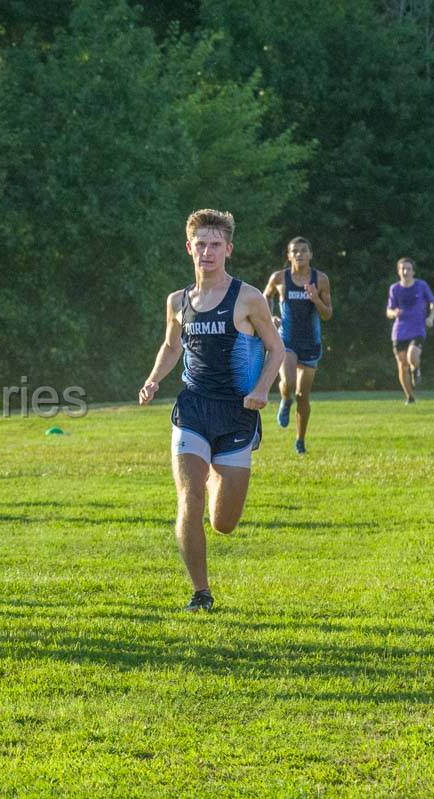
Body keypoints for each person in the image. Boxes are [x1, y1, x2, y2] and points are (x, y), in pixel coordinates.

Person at [138, 209, 284, 612]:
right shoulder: (177, 301)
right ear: (189, 248)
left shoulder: (248, 297)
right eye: (200, 244)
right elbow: (172, 346)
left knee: (224, 523)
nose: (207, 252)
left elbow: (276, 348)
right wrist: (153, 379)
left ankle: (216, 474)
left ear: (228, 250)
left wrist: (260, 389)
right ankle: (200, 593)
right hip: (193, 409)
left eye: (215, 244)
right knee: (189, 499)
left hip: (237, 413)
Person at [262, 237, 332, 454]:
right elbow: (265, 297)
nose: (299, 254)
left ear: (310, 255)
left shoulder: (320, 279)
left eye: (304, 251)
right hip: (287, 340)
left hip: (311, 342)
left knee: (303, 396)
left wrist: (316, 300)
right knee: (289, 381)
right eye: (295, 251)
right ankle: (284, 400)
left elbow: (328, 314)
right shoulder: (279, 278)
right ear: (289, 256)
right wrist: (270, 316)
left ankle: (300, 441)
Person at [387, 257, 434, 404]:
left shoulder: (421, 286)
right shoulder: (394, 289)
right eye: (402, 269)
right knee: (402, 365)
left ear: (413, 271)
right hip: (399, 331)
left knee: (412, 356)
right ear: (398, 271)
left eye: (408, 269)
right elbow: (388, 311)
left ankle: (416, 370)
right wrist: (394, 313)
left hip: (418, 329)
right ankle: (410, 397)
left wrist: (431, 317)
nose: (405, 271)